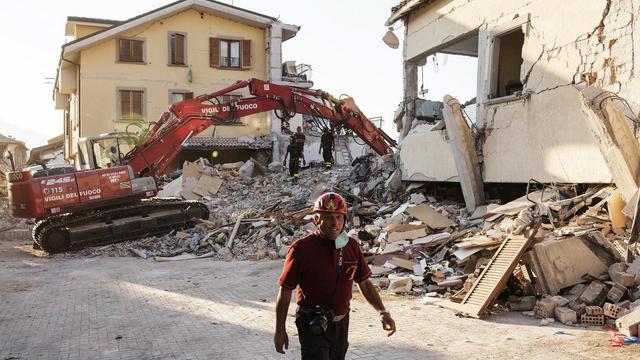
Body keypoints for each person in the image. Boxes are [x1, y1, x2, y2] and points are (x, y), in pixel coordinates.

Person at [274, 192, 396, 359]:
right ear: (316, 219)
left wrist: (382, 311)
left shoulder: (351, 246)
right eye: (328, 217)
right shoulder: (301, 249)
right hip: (312, 323)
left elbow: (365, 283)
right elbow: (285, 290)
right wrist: (280, 330)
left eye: (339, 217)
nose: (335, 224)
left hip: (340, 322)